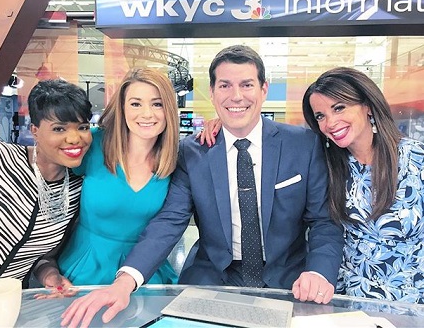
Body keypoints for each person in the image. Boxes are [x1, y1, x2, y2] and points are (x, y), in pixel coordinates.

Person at [61, 45, 344, 328]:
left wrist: (318, 273)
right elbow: (171, 220)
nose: (236, 96)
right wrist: (125, 281)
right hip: (210, 278)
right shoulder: (192, 151)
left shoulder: (303, 144)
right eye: (225, 85)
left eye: (246, 84)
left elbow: (323, 221)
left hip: (288, 280)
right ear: (212, 92)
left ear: (264, 89)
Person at [36, 68, 180, 289]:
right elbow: (45, 161)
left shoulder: (176, 161)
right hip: (83, 266)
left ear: (168, 109)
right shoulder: (93, 144)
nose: (147, 114)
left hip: (143, 271)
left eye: (157, 104)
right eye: (135, 103)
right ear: (122, 107)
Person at [302, 67, 424, 304]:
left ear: (367, 105)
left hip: (410, 306)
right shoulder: (327, 165)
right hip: (344, 304)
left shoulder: (416, 160)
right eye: (320, 116)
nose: (330, 122)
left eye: (339, 108)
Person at [0, 79, 92, 288]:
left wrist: (52, 277)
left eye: (82, 127)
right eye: (59, 129)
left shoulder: (76, 189)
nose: (75, 138)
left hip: (7, 305)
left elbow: (43, 257)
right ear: (35, 130)